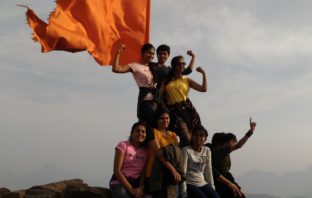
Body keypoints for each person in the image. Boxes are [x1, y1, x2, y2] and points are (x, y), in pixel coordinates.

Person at [164, 55, 207, 146]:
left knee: (198, 134)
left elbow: (203, 89)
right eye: (179, 64)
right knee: (185, 136)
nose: (182, 66)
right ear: (174, 66)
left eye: (184, 64)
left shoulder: (186, 80)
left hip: (188, 109)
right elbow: (159, 94)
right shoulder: (167, 80)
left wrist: (203, 73)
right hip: (174, 111)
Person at [112, 43, 157, 126]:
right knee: (147, 127)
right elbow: (116, 69)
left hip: (158, 101)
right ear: (142, 53)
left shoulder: (154, 67)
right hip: (146, 102)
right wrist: (118, 52)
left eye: (153, 53)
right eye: (148, 53)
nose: (151, 55)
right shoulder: (135, 66)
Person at [211, 119, 257, 198]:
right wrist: (251, 131)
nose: (234, 144)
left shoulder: (221, 152)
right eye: (232, 142)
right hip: (219, 182)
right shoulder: (220, 151)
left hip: (224, 178)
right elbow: (239, 145)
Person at [145, 108, 182, 198]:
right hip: (156, 173)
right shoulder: (152, 132)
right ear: (156, 120)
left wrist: (177, 171)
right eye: (162, 118)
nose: (165, 120)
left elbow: (177, 155)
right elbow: (159, 154)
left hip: (170, 174)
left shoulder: (173, 135)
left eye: (167, 118)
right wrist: (173, 170)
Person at [109, 121, 149, 198]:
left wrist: (141, 188)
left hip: (136, 184)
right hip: (119, 183)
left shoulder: (146, 151)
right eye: (137, 131)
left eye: (143, 132)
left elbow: (143, 172)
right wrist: (131, 189)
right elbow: (117, 170)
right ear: (132, 133)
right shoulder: (123, 145)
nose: (140, 134)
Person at [181, 126, 220, 198]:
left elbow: (208, 170)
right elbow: (183, 172)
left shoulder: (207, 150)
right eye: (196, 135)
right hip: (190, 183)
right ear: (192, 137)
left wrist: (212, 187)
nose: (198, 137)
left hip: (202, 183)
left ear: (205, 139)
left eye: (201, 135)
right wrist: (184, 192)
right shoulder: (186, 150)